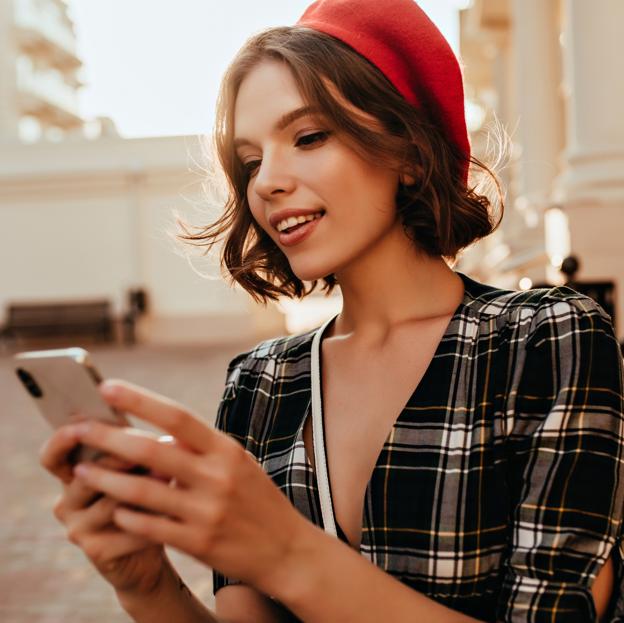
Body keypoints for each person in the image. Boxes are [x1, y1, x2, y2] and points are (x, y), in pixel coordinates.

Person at [39, 0, 624, 621]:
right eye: (250, 161)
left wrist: (288, 553)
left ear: (406, 149)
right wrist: (145, 583)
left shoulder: (543, 340)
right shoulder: (260, 383)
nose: (266, 182)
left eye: (309, 136)